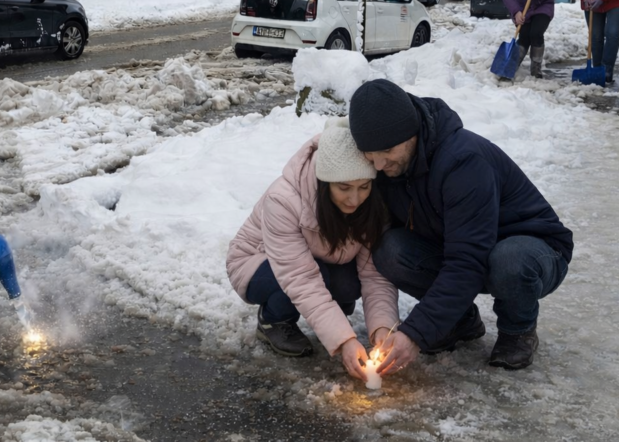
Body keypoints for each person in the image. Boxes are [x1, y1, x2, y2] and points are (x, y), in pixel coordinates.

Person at [347, 79, 573, 371]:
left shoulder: (463, 161)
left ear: (411, 133)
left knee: (508, 260)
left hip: (534, 250)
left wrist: (417, 332)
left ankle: (518, 331)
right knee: (390, 249)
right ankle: (460, 321)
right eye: (370, 154)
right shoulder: (390, 167)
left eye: (387, 150)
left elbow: (467, 260)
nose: (378, 165)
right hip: (462, 247)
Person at [226, 118, 399, 381]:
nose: (355, 199)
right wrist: (343, 341)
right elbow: (300, 277)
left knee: (347, 284)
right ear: (324, 182)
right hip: (258, 263)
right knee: (317, 277)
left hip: (320, 261)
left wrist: (383, 329)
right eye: (344, 188)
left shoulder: (369, 205)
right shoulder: (283, 200)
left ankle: (330, 314)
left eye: (364, 187)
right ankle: (273, 320)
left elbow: (373, 274)